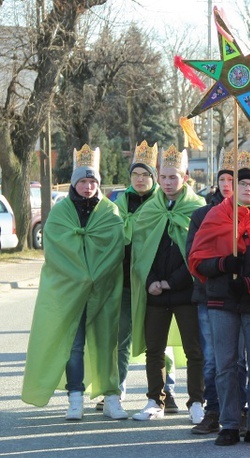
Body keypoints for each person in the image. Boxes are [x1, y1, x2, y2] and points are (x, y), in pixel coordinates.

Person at [22, 144, 128, 421]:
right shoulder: (59, 213)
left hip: (104, 291)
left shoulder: (110, 213)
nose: (88, 186)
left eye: (93, 181)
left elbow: (114, 250)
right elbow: (56, 253)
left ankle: (112, 397)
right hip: (70, 292)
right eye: (83, 181)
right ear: (74, 183)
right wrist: (82, 277)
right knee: (74, 344)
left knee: (106, 343)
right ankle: (75, 398)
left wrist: (94, 277)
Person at [189, 151, 250, 447]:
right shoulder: (216, 216)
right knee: (226, 366)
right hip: (222, 302)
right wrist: (222, 266)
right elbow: (197, 258)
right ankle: (229, 423)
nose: (247, 189)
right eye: (242, 183)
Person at [130, 145, 206, 423]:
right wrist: (151, 281)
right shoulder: (150, 209)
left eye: (174, 177)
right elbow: (141, 251)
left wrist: (170, 282)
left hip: (185, 292)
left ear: (185, 177)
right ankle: (154, 400)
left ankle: (197, 401)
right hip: (154, 293)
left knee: (193, 348)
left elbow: (196, 254)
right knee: (154, 350)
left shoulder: (197, 209)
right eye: (164, 177)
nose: (168, 182)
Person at [186, 148, 250, 435]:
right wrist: (221, 268)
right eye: (223, 179)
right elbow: (195, 256)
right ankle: (214, 410)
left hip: (244, 296)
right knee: (214, 357)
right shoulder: (202, 215)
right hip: (211, 297)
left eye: (233, 180)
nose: (227, 185)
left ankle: (240, 410)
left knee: (240, 358)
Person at [107, 140, 159, 410]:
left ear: (154, 177)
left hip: (156, 284)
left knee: (158, 341)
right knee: (122, 337)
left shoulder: (163, 202)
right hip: (126, 282)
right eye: (135, 175)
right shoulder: (117, 202)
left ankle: (165, 391)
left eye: (145, 174)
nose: (140, 179)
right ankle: (116, 390)